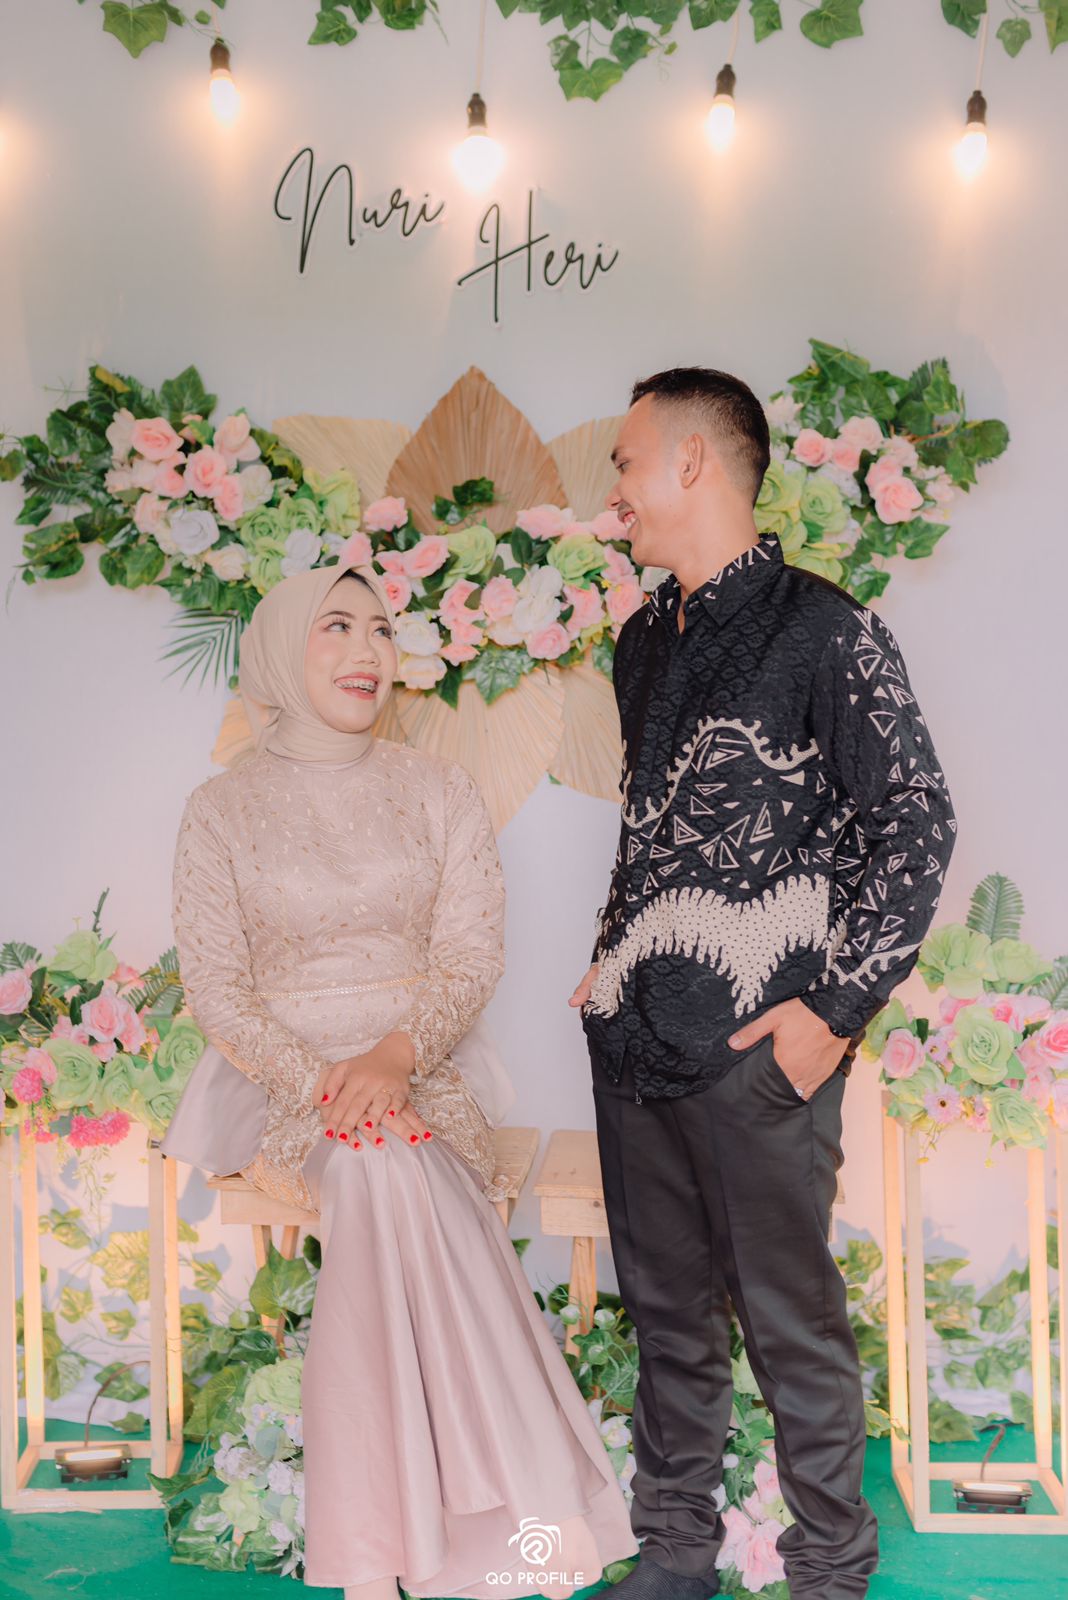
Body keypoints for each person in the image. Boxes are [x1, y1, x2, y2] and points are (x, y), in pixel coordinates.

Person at [168, 559, 638, 1600]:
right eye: (335, 626)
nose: (367, 650)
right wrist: (327, 1083)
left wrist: (394, 1059)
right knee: (381, 1160)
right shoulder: (220, 810)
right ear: (280, 649)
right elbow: (218, 991)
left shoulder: (439, 789)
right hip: (276, 1075)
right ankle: (510, 1523)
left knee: (388, 1162)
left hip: (422, 1060)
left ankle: (379, 1555)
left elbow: (471, 955)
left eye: (381, 629)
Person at [568, 368, 956, 1600]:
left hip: (758, 1047)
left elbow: (916, 821)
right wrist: (610, 955)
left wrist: (833, 1016)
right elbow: (655, 827)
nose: (616, 489)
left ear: (692, 462)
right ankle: (675, 1553)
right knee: (664, 1317)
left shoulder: (825, 628)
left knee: (790, 1322)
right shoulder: (642, 640)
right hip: (632, 1042)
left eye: (627, 461)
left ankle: (830, 1568)